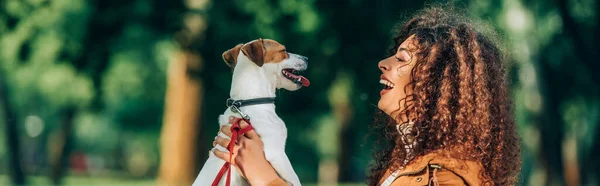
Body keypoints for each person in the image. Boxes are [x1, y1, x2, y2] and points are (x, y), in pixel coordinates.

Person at [212, 6, 521, 186]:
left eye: (402, 59)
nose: (383, 63)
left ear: (436, 83)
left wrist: (265, 177)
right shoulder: (415, 164)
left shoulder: (440, 177)